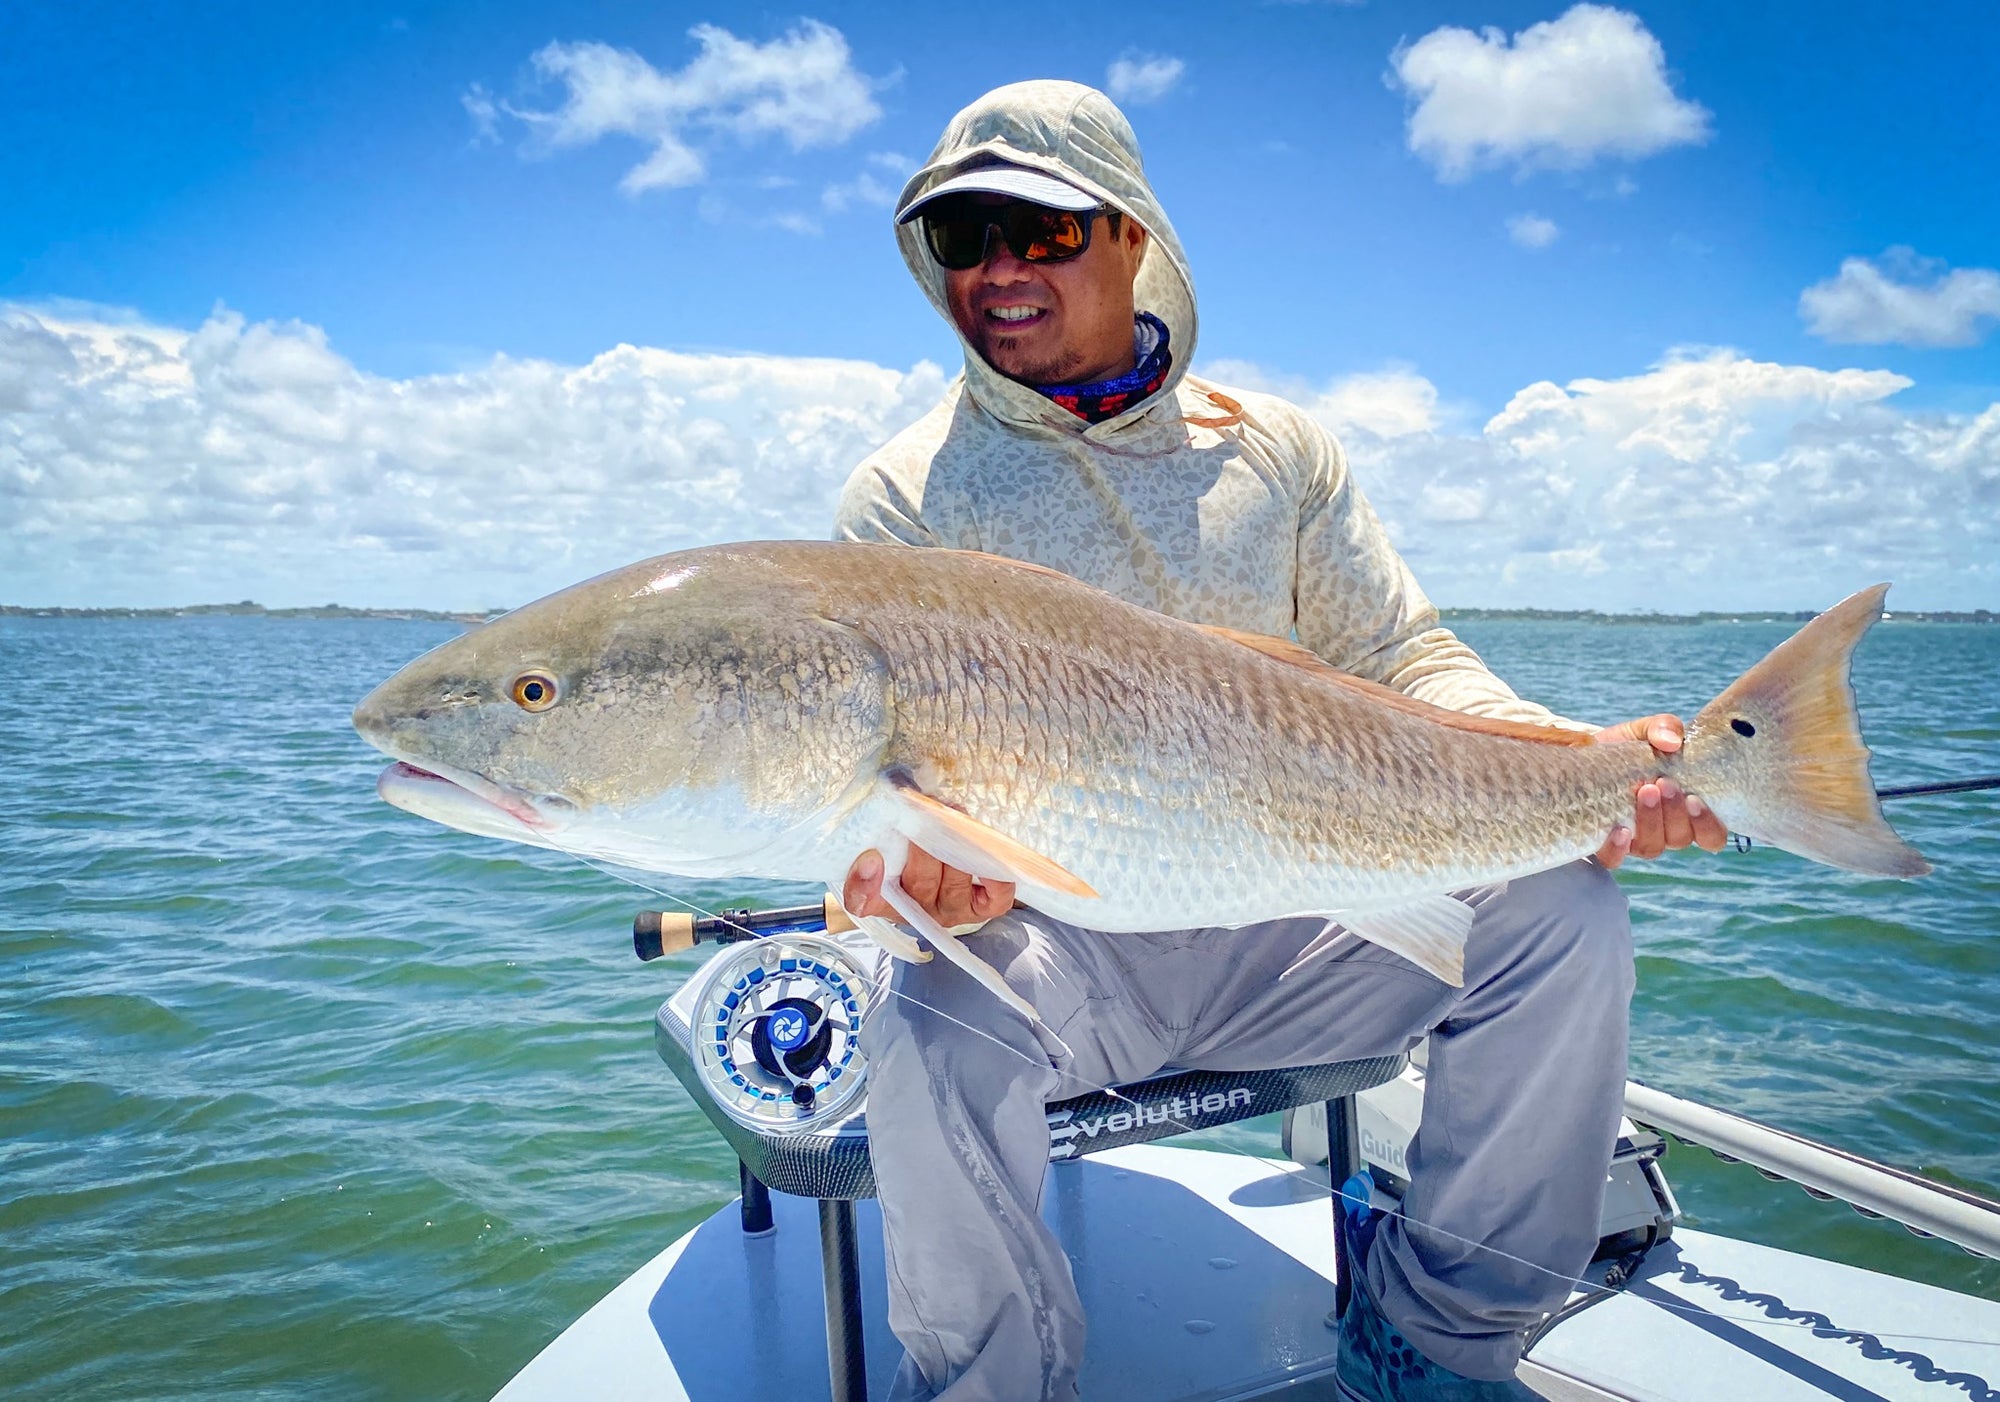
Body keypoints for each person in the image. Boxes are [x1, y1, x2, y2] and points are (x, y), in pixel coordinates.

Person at [832, 80, 1725, 1402]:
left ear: (1133, 235)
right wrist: (902, 875)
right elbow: (887, 772)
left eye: (1042, 229)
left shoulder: (1281, 452)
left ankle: (1432, 1341)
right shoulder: (903, 495)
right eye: (963, 239)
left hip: (1303, 917)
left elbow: (1408, 660)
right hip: (1071, 945)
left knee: (1564, 916)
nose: (1000, 269)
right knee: (935, 1007)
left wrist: (1573, 757)